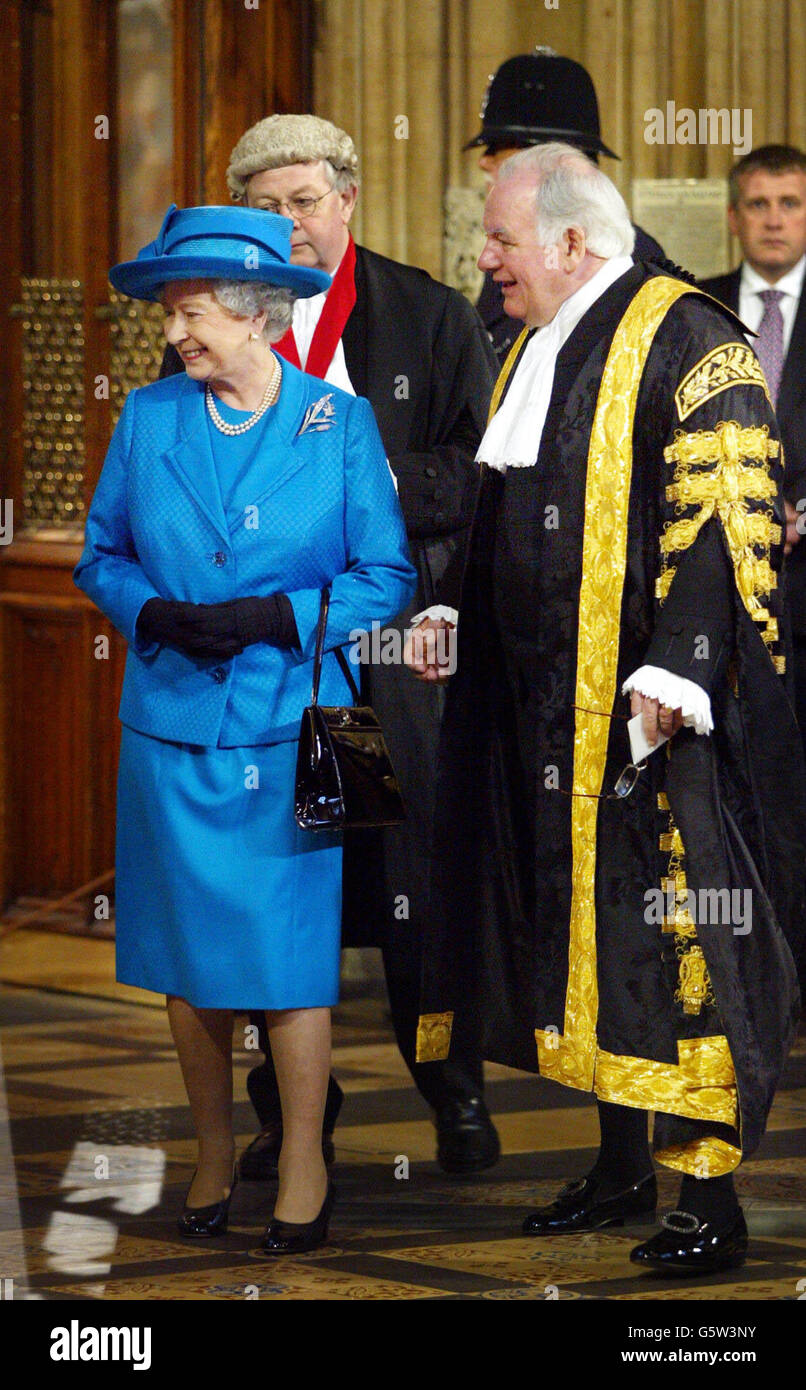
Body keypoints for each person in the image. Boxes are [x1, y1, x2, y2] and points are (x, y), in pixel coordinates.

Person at [407, 144, 805, 1274]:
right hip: (544, 714)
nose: (485, 263)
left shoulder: (691, 335)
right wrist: (445, 608)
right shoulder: (532, 344)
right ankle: (621, 1161)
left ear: (572, 242)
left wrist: (676, 668)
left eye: (500, 241)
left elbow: (730, 512)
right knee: (586, 939)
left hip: (655, 718)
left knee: (682, 947)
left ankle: (709, 1200)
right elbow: (499, 505)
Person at [160, 115, 501, 1178]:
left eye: (303, 200)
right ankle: (287, 1109)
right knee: (274, 889)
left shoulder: (424, 314)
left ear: (346, 199)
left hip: (379, 661)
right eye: (263, 206)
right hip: (259, 668)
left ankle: (453, 1090)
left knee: (410, 887)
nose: (286, 224)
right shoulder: (208, 321)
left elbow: (477, 472)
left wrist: (365, 485)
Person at [74, 204, 416, 1256]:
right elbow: (100, 555)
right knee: (190, 959)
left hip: (293, 727)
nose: (179, 331)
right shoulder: (148, 417)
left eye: (196, 312)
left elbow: (386, 576)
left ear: (259, 316)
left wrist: (281, 617)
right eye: (174, 313)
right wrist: (151, 611)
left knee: (289, 959)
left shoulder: (336, 425)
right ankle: (215, 1148)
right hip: (170, 724)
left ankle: (304, 1154)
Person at [699, 145, 806, 761]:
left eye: (789, 204)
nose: (773, 219)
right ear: (734, 217)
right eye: (758, 204)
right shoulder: (696, 308)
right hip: (717, 589)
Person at [464, 47, 665, 359]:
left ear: (551, 159)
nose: (483, 161)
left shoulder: (630, 261)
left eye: (498, 146)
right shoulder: (515, 250)